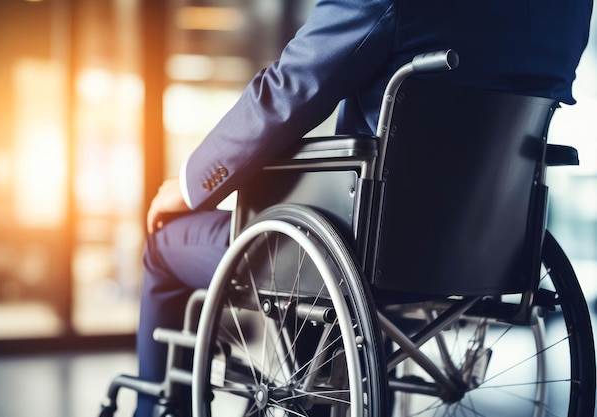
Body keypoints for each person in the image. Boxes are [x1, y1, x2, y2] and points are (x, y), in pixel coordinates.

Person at [136, 0, 593, 415]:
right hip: (489, 249)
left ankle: (151, 407)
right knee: (336, 265)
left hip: (366, 251)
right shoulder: (568, 9)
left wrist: (190, 185)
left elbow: (288, 91)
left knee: (164, 244)